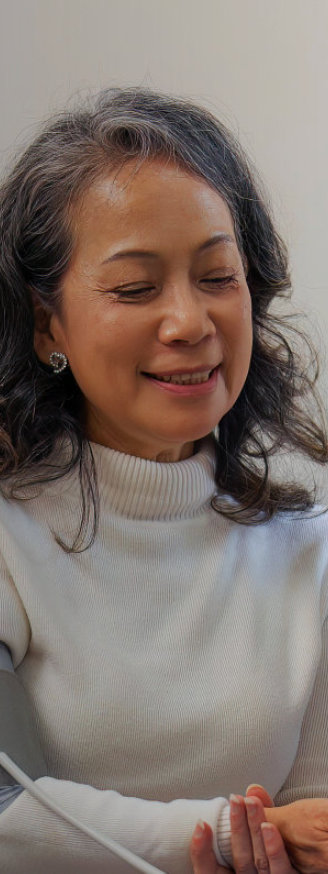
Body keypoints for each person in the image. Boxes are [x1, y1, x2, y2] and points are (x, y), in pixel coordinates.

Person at [0, 85, 328, 874]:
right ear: (49, 324)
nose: (189, 323)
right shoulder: (11, 538)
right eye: (136, 289)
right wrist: (231, 834)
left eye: (218, 276)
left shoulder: (309, 553)